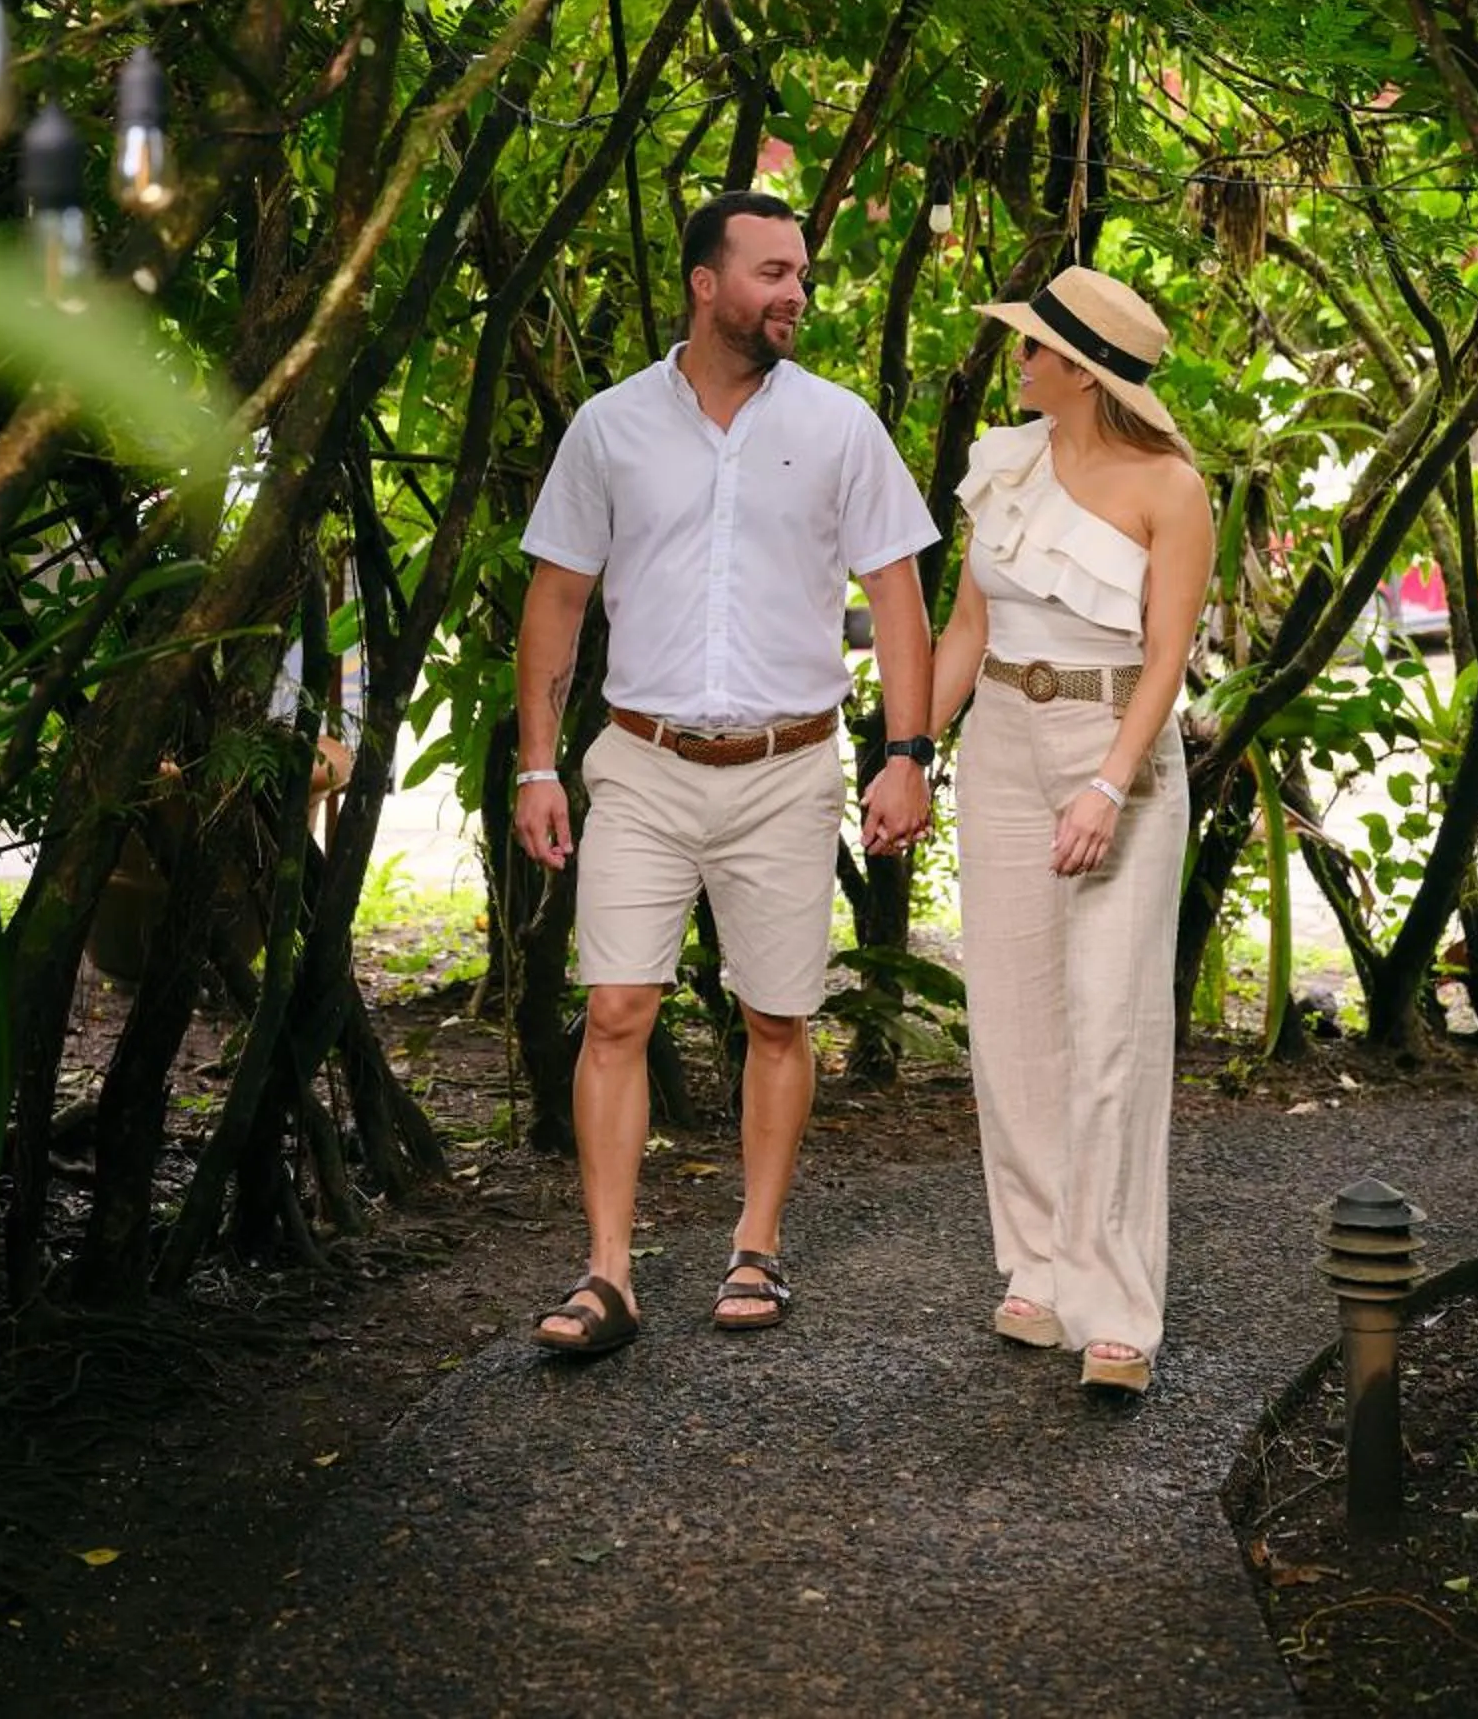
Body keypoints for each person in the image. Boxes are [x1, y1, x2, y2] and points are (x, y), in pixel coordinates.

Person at [513, 190, 939, 1356]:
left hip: (786, 767)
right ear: (707, 282)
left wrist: (907, 755)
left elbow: (896, 596)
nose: (793, 291)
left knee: (776, 1014)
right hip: (642, 760)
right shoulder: (608, 427)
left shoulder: (843, 425)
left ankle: (757, 1244)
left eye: (801, 272)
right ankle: (607, 1275)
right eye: (770, 272)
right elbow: (557, 599)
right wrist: (535, 768)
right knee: (615, 1010)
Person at [928, 263, 1213, 1394]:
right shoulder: (1005, 464)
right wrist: (905, 755)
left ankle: (1119, 1310)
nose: (1019, 360)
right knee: (1013, 1016)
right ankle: (1038, 1265)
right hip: (996, 735)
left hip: (1113, 749)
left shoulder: (1169, 488)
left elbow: (1169, 655)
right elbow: (962, 624)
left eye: (1036, 347)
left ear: (1084, 374)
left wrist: (1108, 782)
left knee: (1113, 1030)